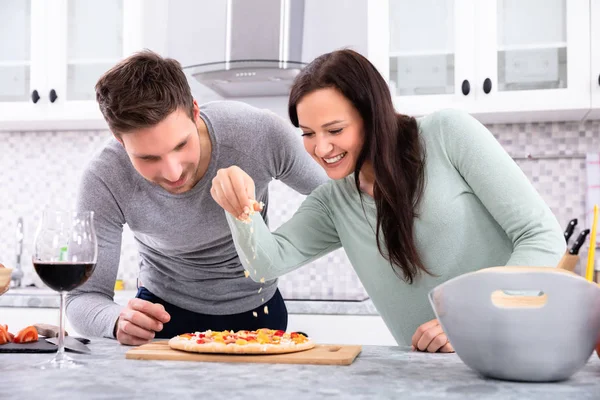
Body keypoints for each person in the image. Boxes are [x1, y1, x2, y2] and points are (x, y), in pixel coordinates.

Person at [210, 49, 565, 353]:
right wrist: (238, 205)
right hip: (432, 378)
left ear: (371, 115)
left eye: (335, 130)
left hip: (519, 352)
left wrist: (475, 316)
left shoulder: (446, 135)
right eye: (308, 134)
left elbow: (541, 235)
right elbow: (265, 264)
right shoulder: (333, 202)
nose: (320, 148)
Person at [65, 50, 328, 345]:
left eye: (181, 145)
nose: (173, 171)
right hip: (160, 321)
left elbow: (340, 198)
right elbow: (81, 299)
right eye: (148, 158)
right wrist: (114, 320)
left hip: (260, 313)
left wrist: (281, 248)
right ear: (119, 139)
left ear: (194, 111)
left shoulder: (258, 134)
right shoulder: (105, 177)